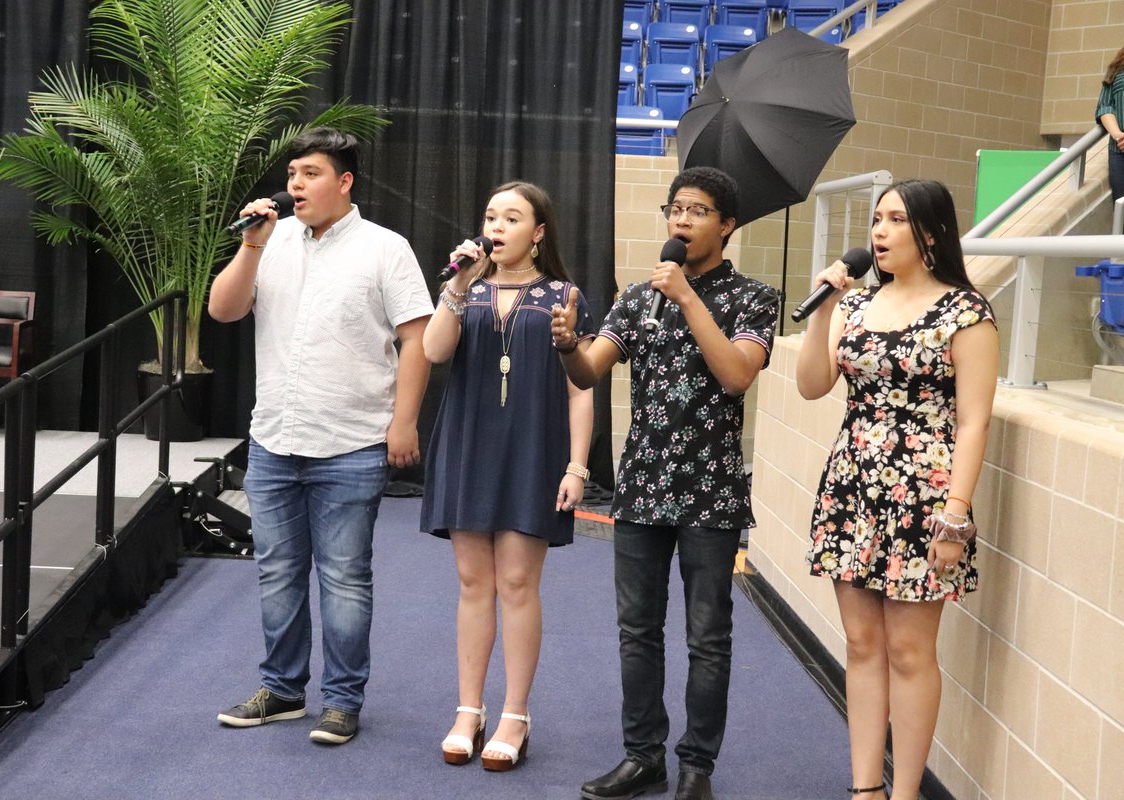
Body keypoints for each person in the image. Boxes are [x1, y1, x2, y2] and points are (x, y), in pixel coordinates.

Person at [551, 166, 779, 800]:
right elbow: (589, 372)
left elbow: (736, 375)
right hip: (642, 486)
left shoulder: (752, 298)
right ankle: (643, 756)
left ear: (727, 225)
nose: (681, 219)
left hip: (711, 490)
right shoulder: (637, 296)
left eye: (697, 210)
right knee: (637, 631)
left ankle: (696, 768)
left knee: (707, 637)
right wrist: (568, 344)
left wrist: (686, 298)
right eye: (675, 208)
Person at [207, 127, 433, 745]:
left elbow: (417, 338)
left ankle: (341, 700)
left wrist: (404, 421)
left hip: (351, 442)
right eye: (292, 174)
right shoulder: (270, 239)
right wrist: (251, 245)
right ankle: (282, 690)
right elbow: (223, 310)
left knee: (343, 578)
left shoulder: (386, 248)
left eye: (310, 173)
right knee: (278, 573)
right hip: (274, 440)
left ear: (345, 182)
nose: (296, 185)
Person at [796, 179, 998, 800]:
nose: (879, 232)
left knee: (909, 650)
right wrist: (825, 308)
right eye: (877, 219)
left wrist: (954, 517)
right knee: (861, 644)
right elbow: (811, 385)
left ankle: (904, 792)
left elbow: (974, 422)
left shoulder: (965, 312)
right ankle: (866, 789)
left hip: (925, 495)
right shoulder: (855, 305)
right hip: (853, 486)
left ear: (931, 233)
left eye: (896, 220)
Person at [420, 181, 596, 772]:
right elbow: (434, 352)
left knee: (518, 582)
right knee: (473, 583)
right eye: (491, 216)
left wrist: (577, 464)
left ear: (538, 233)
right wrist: (456, 286)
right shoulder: (465, 289)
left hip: (532, 449)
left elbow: (580, 389)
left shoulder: (563, 295)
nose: (496, 227)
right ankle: (468, 710)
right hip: (468, 445)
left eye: (512, 218)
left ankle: (515, 715)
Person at [1096, 45, 1124, 201]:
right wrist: (1118, 135)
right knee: (1120, 203)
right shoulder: (1116, 70)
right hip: (1119, 150)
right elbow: (1105, 106)